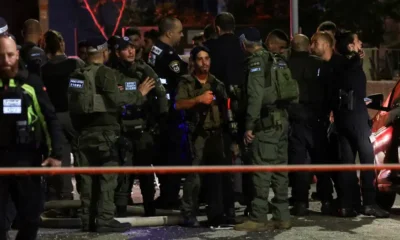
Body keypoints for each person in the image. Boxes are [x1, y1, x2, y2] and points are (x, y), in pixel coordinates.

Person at [68, 37, 155, 232]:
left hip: (83, 135)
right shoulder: (106, 73)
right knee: (108, 179)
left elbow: (72, 107)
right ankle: (105, 219)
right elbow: (116, 100)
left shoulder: (76, 75)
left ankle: (87, 220)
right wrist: (139, 94)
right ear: (105, 53)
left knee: (87, 180)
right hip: (106, 134)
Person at [0, 34, 63, 240]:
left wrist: (56, 153)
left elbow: (50, 119)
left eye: (10, 55)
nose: (6, 61)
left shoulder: (31, 83)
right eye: (1, 56)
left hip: (27, 158)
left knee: (31, 218)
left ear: (17, 54)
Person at [234, 27, 297, 232]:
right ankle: (282, 216)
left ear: (244, 44)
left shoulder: (256, 62)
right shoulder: (277, 59)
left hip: (265, 123)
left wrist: (249, 125)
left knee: (261, 172)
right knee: (280, 171)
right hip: (282, 121)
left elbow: (255, 96)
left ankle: (259, 217)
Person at [332, 31, 389, 218]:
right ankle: (369, 203)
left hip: (342, 119)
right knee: (366, 159)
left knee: (346, 163)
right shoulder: (353, 66)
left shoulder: (335, 65)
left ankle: (348, 204)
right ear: (350, 46)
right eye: (357, 42)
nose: (361, 43)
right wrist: (357, 58)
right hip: (356, 119)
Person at [109, 36, 167, 217]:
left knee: (145, 171)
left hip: (143, 128)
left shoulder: (144, 70)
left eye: (132, 47)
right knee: (124, 172)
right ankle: (120, 210)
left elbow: (161, 95)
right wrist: (136, 93)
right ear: (117, 53)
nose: (131, 51)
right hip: (122, 129)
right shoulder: (111, 73)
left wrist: (160, 121)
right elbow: (112, 100)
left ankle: (150, 207)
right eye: (126, 49)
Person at [177, 46, 233, 227]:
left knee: (217, 176)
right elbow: (178, 104)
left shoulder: (216, 83)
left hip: (216, 134)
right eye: (200, 59)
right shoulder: (187, 82)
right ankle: (188, 213)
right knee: (194, 177)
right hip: (196, 134)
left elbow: (227, 107)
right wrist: (197, 100)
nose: (205, 62)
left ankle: (217, 213)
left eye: (207, 58)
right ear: (193, 62)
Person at [40, 30, 85, 215]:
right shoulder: (75, 64)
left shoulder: (43, 69)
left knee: (62, 158)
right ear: (62, 44)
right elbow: (82, 89)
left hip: (54, 119)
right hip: (74, 116)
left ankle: (65, 198)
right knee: (82, 156)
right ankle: (86, 196)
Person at [287, 34, 332, 216]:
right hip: (317, 117)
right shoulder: (319, 64)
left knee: (299, 161)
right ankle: (327, 200)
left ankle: (300, 202)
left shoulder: (286, 65)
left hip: (296, 118)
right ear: (307, 47)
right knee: (321, 159)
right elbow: (328, 89)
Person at [148, 17, 188, 209]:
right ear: (169, 33)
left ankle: (166, 194)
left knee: (162, 154)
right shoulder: (170, 55)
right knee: (172, 154)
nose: (181, 35)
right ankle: (170, 196)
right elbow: (180, 79)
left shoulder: (154, 49)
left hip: (157, 110)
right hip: (170, 112)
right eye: (179, 31)